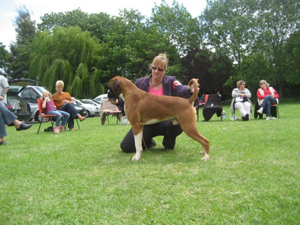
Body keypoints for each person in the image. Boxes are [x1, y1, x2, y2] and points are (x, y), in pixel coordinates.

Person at [120, 53, 198, 153]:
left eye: (160, 69)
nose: (156, 71)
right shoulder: (140, 83)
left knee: (179, 120)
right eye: (154, 68)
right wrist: (119, 100)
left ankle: (168, 143)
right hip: (146, 124)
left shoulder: (170, 81)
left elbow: (180, 88)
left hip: (165, 122)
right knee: (126, 147)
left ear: (165, 70)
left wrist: (189, 89)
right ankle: (148, 141)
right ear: (151, 68)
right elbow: (128, 97)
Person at [0, 75, 32, 145]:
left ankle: (0, 140)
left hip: (1, 102)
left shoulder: (1, 78)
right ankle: (17, 123)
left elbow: (6, 87)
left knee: (0, 117)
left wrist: (2, 95)